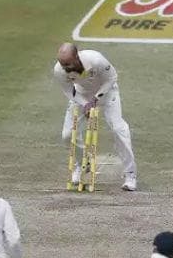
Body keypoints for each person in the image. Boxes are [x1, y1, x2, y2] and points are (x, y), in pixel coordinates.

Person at [53, 43, 137, 191]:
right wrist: (85, 103)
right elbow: (69, 91)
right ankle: (82, 166)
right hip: (81, 95)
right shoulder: (59, 70)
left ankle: (130, 174)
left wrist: (96, 99)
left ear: (77, 56)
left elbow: (112, 78)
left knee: (118, 129)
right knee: (67, 135)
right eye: (62, 64)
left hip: (107, 92)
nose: (65, 68)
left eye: (68, 64)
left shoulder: (96, 59)